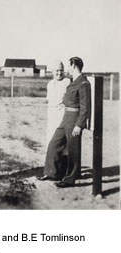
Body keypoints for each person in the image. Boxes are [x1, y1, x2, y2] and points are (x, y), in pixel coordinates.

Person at [43, 57, 91, 188]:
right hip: (66, 118)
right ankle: (52, 172)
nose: (67, 70)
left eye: (68, 66)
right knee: (54, 144)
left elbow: (85, 107)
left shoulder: (83, 83)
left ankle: (70, 179)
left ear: (74, 65)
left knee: (73, 151)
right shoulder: (74, 81)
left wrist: (79, 125)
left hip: (74, 119)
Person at [38, 61, 71, 181]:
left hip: (62, 115)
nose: (59, 72)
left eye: (61, 70)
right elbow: (49, 100)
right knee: (50, 142)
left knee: (62, 144)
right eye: (56, 70)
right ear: (52, 71)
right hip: (51, 115)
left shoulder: (67, 82)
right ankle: (51, 171)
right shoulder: (50, 84)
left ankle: (62, 172)